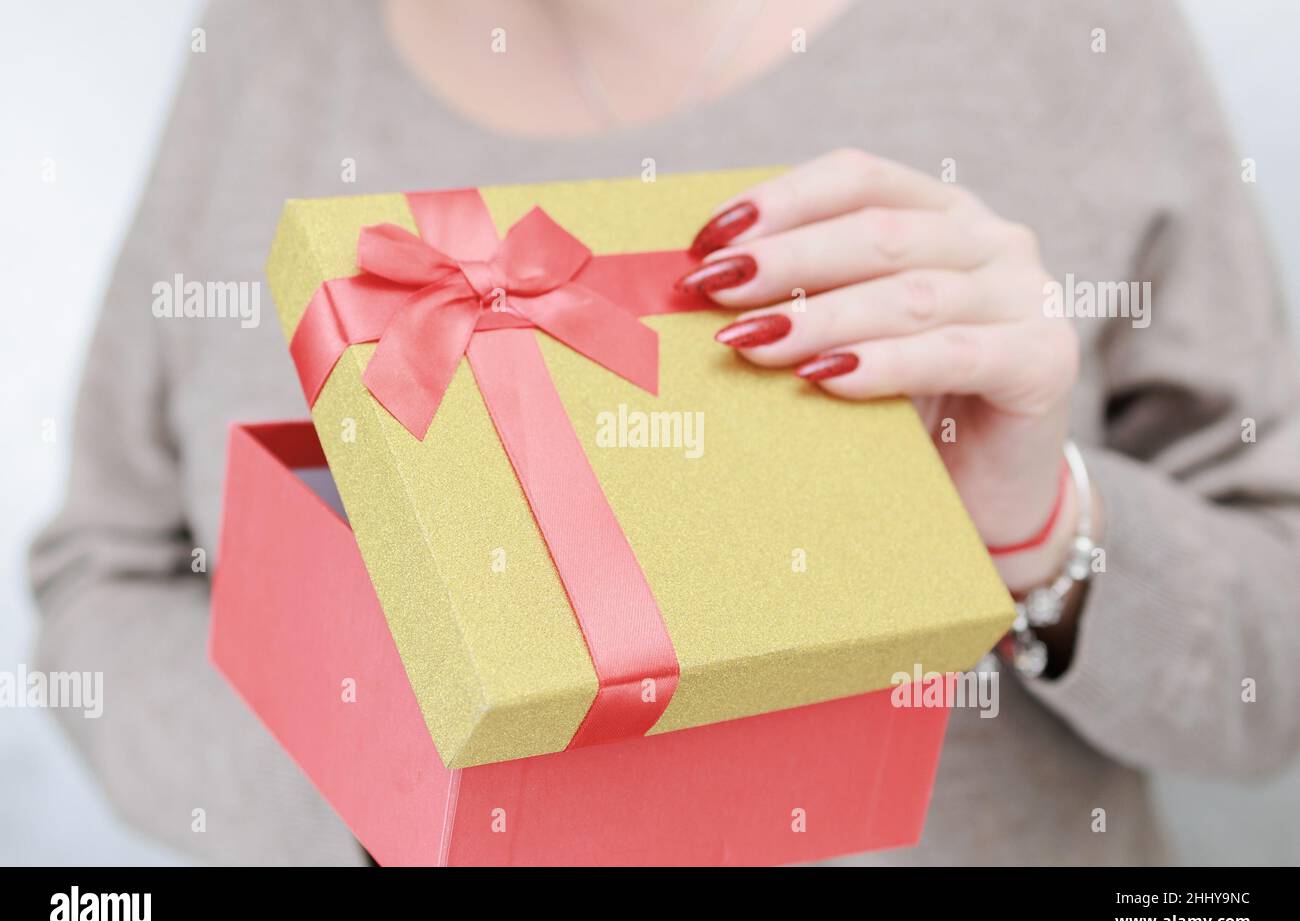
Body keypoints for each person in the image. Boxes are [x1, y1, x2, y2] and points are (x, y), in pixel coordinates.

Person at [30, 0, 1300, 865]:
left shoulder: (1068, 38)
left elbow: (1276, 679)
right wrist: (371, 807)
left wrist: (1041, 526)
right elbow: (107, 574)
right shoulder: (272, 43)